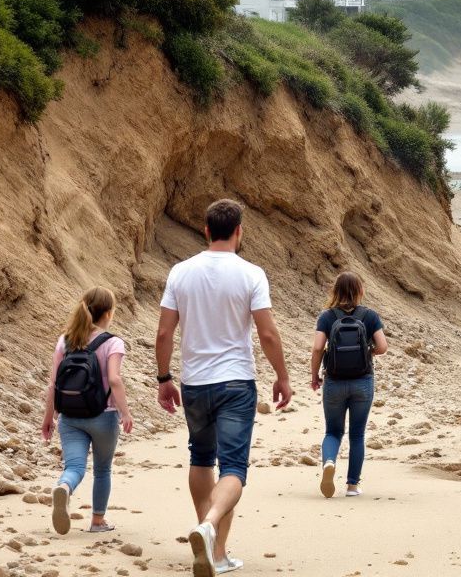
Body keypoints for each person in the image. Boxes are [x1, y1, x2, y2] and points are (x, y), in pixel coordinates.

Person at [156, 199, 293, 577]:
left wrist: (163, 378)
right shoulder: (251, 274)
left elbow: (165, 331)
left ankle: (214, 552)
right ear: (239, 231)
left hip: (195, 383)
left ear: (205, 231)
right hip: (235, 382)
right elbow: (267, 333)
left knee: (200, 457)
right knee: (233, 467)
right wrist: (282, 376)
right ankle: (210, 530)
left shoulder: (180, 272)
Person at [41, 287, 133, 535]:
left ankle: (65, 487)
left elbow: (53, 384)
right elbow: (114, 380)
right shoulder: (113, 342)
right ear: (108, 313)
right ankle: (97, 521)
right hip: (103, 416)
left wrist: (49, 418)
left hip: (70, 417)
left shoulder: (65, 341)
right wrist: (125, 413)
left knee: (74, 467)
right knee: (102, 469)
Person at [311, 272, 387, 498]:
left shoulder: (327, 317)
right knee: (357, 434)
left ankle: (329, 463)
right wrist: (368, 351)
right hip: (362, 382)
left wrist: (314, 376)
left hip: (334, 381)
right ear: (360, 290)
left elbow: (317, 348)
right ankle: (352, 485)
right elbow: (383, 346)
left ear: (335, 290)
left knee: (333, 431)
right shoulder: (370, 316)